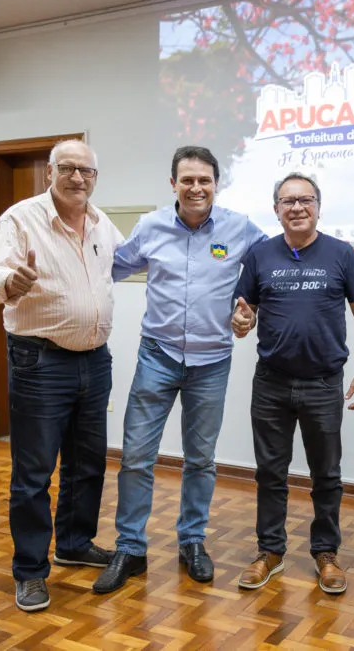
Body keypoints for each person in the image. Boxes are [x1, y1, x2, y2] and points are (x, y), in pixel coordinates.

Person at [92, 146, 268, 594]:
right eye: (187, 180)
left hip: (212, 360)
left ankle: (192, 542)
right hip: (158, 355)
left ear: (215, 184)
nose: (196, 188)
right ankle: (130, 548)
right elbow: (110, 266)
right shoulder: (151, 226)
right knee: (135, 456)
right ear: (173, 184)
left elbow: (278, 265)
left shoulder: (240, 228)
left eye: (204, 180)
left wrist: (339, 253)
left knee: (201, 459)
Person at [0, 139, 124, 612]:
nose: (77, 178)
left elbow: (126, 266)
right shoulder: (20, 219)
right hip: (40, 362)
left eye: (86, 170)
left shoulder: (103, 223)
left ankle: (74, 544)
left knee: (88, 464)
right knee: (34, 473)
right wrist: (10, 284)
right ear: (49, 172)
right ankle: (30, 570)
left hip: (94, 361)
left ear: (95, 177)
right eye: (68, 168)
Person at [230, 173, 354, 595]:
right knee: (269, 472)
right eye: (287, 201)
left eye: (305, 199)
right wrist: (240, 323)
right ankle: (270, 551)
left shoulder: (341, 254)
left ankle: (325, 553)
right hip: (271, 383)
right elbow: (244, 313)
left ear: (318, 205)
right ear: (276, 209)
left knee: (326, 474)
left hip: (324, 383)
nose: (296, 207)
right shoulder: (259, 255)